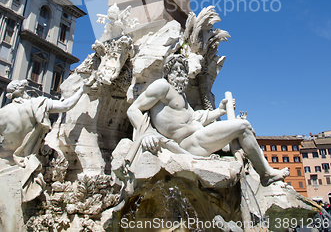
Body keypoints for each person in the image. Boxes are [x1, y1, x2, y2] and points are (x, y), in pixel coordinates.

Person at [127, 54, 289, 186]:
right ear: (167, 73)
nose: (179, 73)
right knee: (243, 126)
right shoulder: (162, 86)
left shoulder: (182, 97)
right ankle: (266, 174)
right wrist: (147, 133)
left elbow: (197, 118)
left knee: (244, 133)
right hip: (188, 144)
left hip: (198, 138)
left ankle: (258, 172)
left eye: (183, 70)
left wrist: (219, 111)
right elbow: (133, 109)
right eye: (175, 70)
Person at [0, 79, 89, 201]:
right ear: (23, 91)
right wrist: (82, 89)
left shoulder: (2, 113)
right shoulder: (37, 104)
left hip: (5, 163)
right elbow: (66, 105)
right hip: (29, 161)